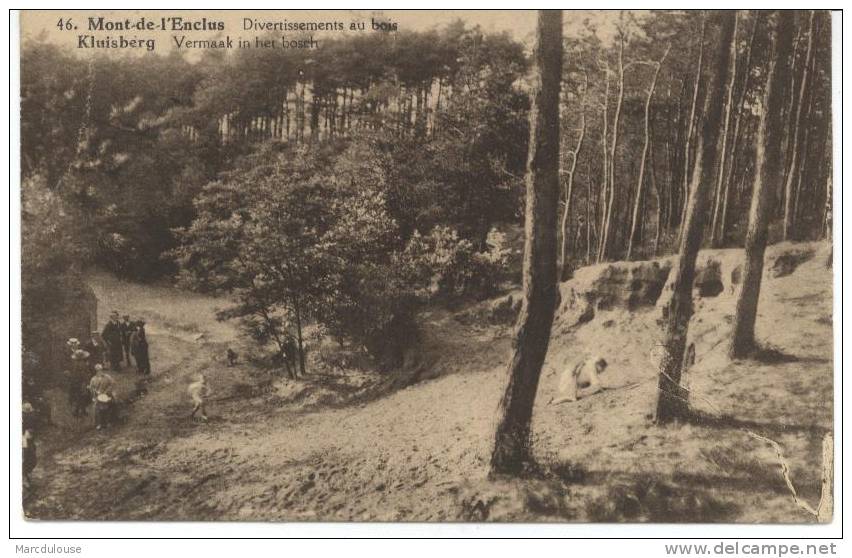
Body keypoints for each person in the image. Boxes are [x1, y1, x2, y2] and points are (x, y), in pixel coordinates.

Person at [88, 364, 116, 430]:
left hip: (107, 394)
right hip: (98, 396)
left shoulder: (107, 377)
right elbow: (91, 388)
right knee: (96, 408)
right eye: (97, 370)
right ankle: (99, 423)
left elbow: (112, 384)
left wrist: (107, 392)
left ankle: (109, 421)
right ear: (95, 371)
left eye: (100, 370)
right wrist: (95, 392)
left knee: (111, 405)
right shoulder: (93, 379)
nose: (99, 372)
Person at [67, 349, 92, 418]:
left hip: (75, 383)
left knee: (78, 397)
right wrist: (86, 380)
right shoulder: (82, 365)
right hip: (81, 383)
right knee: (82, 397)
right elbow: (84, 375)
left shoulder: (75, 363)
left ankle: (79, 411)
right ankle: (78, 411)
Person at [23, 402, 37, 489]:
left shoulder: (31, 418)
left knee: (32, 459)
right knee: (26, 458)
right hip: (24, 440)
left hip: (28, 440)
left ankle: (25, 475)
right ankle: (24, 478)